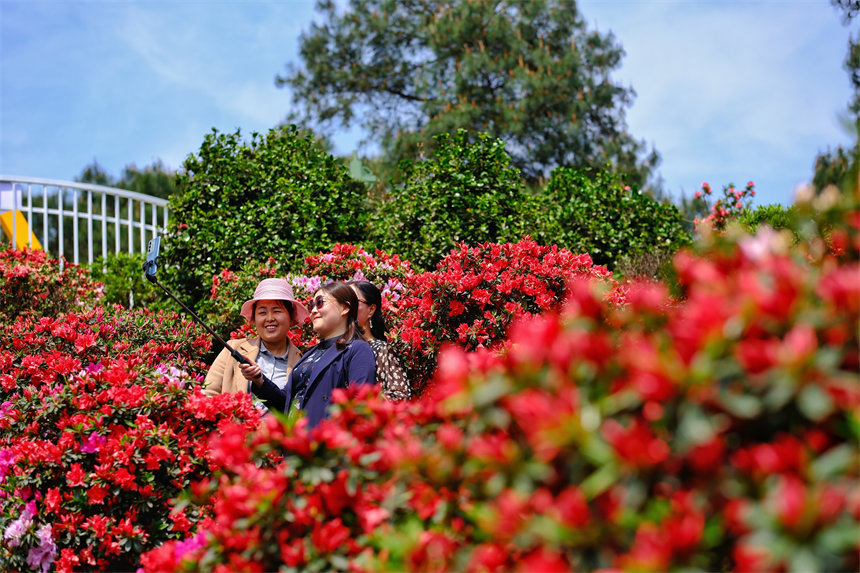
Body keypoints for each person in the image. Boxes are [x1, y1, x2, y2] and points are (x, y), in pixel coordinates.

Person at [248, 281, 376, 427]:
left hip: (325, 444)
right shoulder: (310, 355)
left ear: (344, 308)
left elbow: (361, 404)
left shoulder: (357, 349)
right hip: (297, 444)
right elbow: (286, 404)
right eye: (311, 305)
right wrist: (258, 379)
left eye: (320, 302)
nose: (314, 310)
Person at [203, 278, 308, 413]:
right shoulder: (233, 348)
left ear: (291, 317)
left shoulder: (302, 362)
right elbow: (208, 394)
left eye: (277, 311)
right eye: (262, 312)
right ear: (254, 318)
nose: (270, 318)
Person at [348, 280, 411, 401]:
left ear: (371, 309)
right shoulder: (339, 348)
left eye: (353, 302)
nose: (347, 307)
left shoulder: (382, 350)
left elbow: (400, 396)